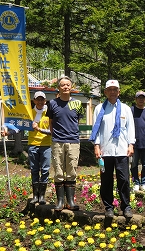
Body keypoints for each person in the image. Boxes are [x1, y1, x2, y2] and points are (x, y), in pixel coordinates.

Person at [89, 79, 136, 218]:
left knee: (124, 179)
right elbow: (96, 129)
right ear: (105, 92)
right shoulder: (99, 108)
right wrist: (96, 146)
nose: (112, 92)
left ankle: (126, 207)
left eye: (115, 89)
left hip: (121, 150)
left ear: (119, 92)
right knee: (106, 180)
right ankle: (108, 207)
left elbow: (130, 128)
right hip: (105, 150)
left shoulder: (126, 109)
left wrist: (131, 144)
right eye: (110, 89)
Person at [2, 91, 52, 205]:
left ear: (45, 101)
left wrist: (39, 129)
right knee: (34, 170)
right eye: (37, 99)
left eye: (42, 99)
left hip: (46, 146)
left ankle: (42, 196)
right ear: (34, 101)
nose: (40, 102)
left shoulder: (49, 113)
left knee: (45, 170)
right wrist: (8, 133)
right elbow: (20, 128)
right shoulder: (30, 114)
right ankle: (35, 195)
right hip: (33, 145)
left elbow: (51, 131)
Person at [47, 76, 84, 211]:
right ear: (59, 87)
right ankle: (60, 201)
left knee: (72, 171)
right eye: (63, 85)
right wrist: (55, 136)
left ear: (71, 86)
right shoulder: (52, 103)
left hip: (73, 141)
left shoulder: (77, 103)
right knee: (58, 172)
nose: (66, 87)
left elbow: (77, 122)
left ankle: (70, 202)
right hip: (58, 142)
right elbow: (51, 123)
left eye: (68, 85)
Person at [131, 91, 145, 192]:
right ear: (135, 99)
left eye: (142, 98)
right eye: (139, 97)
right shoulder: (131, 110)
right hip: (134, 142)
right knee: (134, 164)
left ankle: (144, 183)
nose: (141, 99)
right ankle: (136, 183)